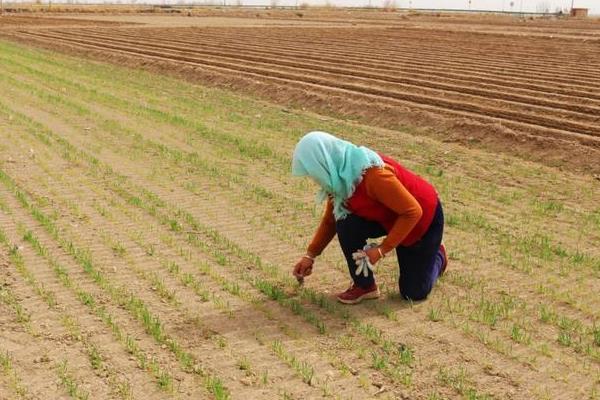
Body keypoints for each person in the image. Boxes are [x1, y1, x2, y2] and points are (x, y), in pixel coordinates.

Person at [291, 131, 447, 304]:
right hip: (390, 216)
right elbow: (330, 221)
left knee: (414, 292)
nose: (314, 178)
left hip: (422, 220)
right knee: (344, 221)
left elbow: (412, 212)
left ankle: (438, 256)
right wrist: (310, 255)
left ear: (324, 163)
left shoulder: (373, 175)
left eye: (313, 172)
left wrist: (381, 250)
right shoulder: (339, 181)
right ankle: (364, 286)